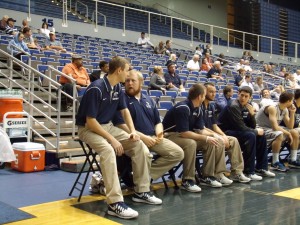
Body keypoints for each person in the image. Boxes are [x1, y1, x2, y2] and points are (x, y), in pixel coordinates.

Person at [76, 56, 162, 219]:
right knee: (108, 150)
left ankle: (142, 191)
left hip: (106, 126)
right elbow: (90, 122)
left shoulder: (117, 88)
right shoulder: (97, 88)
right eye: (128, 69)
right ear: (119, 70)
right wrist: (113, 139)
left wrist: (132, 131)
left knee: (138, 145)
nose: (129, 73)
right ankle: (114, 203)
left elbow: (124, 111)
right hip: (88, 129)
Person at [113, 70, 184, 185]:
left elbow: (157, 121)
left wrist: (159, 134)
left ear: (141, 83)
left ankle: (142, 176)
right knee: (145, 153)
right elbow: (122, 125)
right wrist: (144, 138)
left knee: (178, 153)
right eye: (127, 81)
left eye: (133, 81)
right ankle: (141, 181)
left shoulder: (149, 99)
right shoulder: (121, 100)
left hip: (153, 138)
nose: (129, 83)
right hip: (133, 139)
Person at [163, 84, 231, 188]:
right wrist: (206, 138)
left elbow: (201, 129)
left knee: (211, 142)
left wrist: (214, 135)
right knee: (191, 143)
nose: (204, 98)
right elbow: (184, 132)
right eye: (204, 95)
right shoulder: (183, 107)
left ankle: (207, 177)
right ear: (200, 96)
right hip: (169, 135)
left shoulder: (197, 108)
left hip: (183, 135)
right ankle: (188, 180)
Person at [218, 86, 275, 180]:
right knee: (251, 135)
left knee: (260, 135)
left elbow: (251, 126)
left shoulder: (247, 106)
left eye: (246, 96)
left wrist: (252, 115)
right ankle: (249, 171)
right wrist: (256, 131)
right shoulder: (233, 106)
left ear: (250, 97)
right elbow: (241, 127)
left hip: (237, 131)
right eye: (242, 95)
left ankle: (261, 167)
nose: (243, 98)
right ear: (238, 94)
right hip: (224, 132)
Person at [202, 83, 250, 183]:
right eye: (211, 92)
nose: (213, 94)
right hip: (202, 134)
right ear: (204, 92)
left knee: (233, 140)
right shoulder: (199, 106)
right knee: (219, 141)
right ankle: (219, 173)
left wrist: (223, 135)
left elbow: (215, 126)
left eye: (215, 92)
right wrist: (219, 136)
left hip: (211, 133)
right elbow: (200, 128)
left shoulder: (211, 106)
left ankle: (237, 173)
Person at [256, 92, 300, 171]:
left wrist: (293, 113)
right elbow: (275, 127)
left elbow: (290, 126)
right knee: (279, 134)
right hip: (261, 129)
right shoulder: (272, 108)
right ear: (288, 101)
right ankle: (275, 162)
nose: (293, 102)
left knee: (294, 132)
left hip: (271, 129)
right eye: (292, 100)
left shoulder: (285, 109)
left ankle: (292, 160)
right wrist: (287, 133)